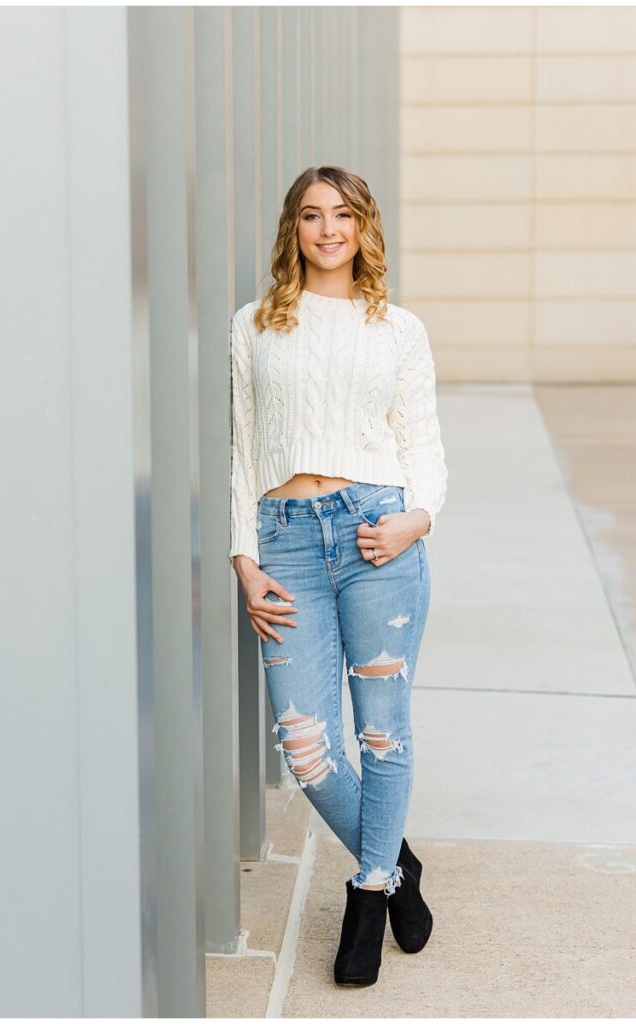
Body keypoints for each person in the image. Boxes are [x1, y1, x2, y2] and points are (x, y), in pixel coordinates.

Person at [229, 165, 448, 987]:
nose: (328, 230)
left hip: (374, 535)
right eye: (313, 216)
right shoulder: (253, 325)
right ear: (293, 228)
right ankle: (396, 861)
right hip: (284, 539)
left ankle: (365, 892)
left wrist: (414, 518)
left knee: (381, 732)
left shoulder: (396, 328)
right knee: (305, 746)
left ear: (363, 228)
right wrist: (244, 563)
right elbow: (241, 453)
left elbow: (422, 442)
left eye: (343, 216)